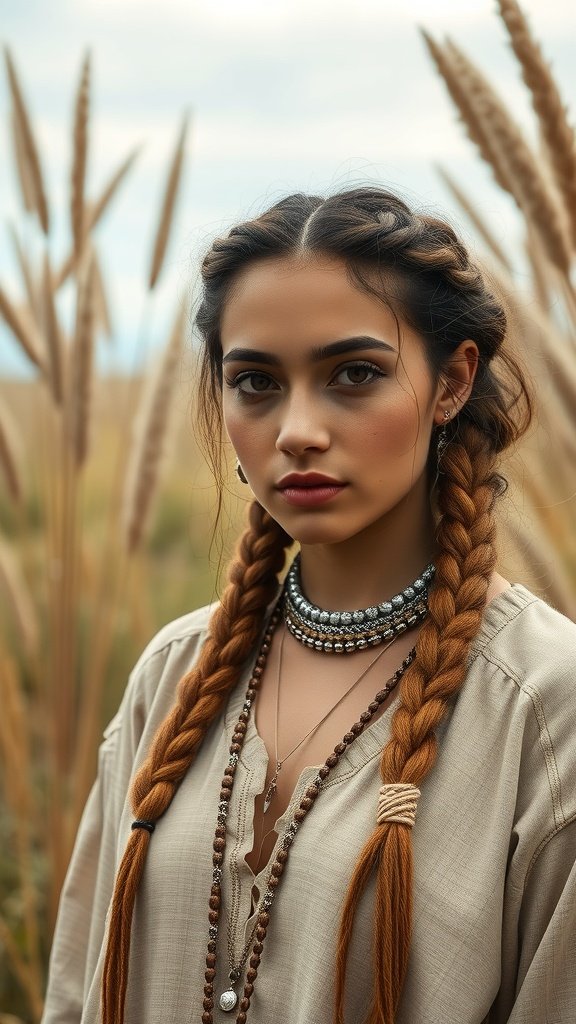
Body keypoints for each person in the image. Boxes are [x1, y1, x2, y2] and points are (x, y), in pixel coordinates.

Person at [42, 187, 576, 1024]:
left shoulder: (547, 713)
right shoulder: (173, 674)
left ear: (452, 382)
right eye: (255, 381)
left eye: (354, 374)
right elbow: (77, 992)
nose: (296, 429)